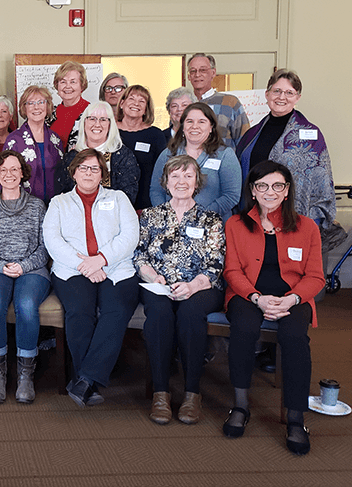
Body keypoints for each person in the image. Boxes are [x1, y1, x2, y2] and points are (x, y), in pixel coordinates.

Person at [222, 160, 325, 456]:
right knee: (243, 329)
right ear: (253, 191)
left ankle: (295, 419)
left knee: (294, 338)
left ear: (287, 190)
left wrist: (291, 299)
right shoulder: (235, 224)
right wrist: (257, 298)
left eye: (277, 185)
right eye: (262, 185)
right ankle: (240, 406)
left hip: (293, 298)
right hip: (247, 295)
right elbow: (231, 271)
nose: (270, 191)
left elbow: (316, 276)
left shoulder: (307, 227)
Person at [43, 149, 140, 407]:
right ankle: (90, 381)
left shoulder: (119, 198)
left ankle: (85, 378)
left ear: (102, 174)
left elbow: (130, 236)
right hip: (72, 270)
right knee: (79, 311)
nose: (88, 173)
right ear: (73, 172)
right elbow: (53, 241)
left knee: (116, 311)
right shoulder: (59, 203)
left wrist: (102, 259)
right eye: (83, 168)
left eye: (94, 168)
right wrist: (85, 264)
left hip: (116, 268)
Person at [134, 155, 225, 425]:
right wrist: (153, 276)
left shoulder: (211, 219)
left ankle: (192, 393)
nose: (181, 181)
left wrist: (192, 285)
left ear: (197, 182)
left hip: (201, 286)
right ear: (166, 181)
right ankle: (160, 393)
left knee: (190, 315)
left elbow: (216, 263)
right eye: (175, 176)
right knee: (159, 315)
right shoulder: (150, 216)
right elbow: (138, 255)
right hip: (158, 284)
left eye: (188, 176)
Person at [235, 69, 342, 248]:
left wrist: (314, 222)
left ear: (297, 97)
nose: (281, 97)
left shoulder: (311, 135)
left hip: (293, 221)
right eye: (277, 91)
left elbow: (321, 182)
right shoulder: (251, 135)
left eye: (289, 92)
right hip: (254, 218)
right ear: (267, 94)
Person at [0, 151, 50, 404]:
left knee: (27, 306)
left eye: (14, 169)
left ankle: (25, 375)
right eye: (3, 170)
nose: (9, 174)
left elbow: (45, 248)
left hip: (33, 270)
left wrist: (24, 266)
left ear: (22, 173)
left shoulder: (38, 206)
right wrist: (0, 266)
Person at [149, 102, 240, 222]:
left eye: (201, 122)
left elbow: (231, 195)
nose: (194, 126)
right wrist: (169, 215)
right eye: (189, 121)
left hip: (212, 227)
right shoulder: (168, 154)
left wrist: (200, 216)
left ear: (211, 127)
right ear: (183, 126)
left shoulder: (225, 155)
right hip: (172, 225)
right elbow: (156, 190)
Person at [57, 100, 139, 206]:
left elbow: (127, 197)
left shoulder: (123, 156)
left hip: (111, 217)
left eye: (103, 120)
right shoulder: (71, 157)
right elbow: (65, 194)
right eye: (92, 119)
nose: (97, 124)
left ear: (110, 124)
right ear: (84, 122)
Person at [4, 85, 63, 203]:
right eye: (30, 103)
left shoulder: (55, 139)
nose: (36, 107)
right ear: (24, 108)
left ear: (48, 106)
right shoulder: (14, 139)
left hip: (54, 204)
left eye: (41, 102)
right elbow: (4, 174)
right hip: (24, 207)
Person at [116, 84, 167, 210]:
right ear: (122, 103)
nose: (136, 104)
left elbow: (164, 171)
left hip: (146, 205)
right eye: (131, 99)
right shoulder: (109, 130)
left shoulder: (156, 135)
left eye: (141, 101)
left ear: (146, 109)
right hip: (112, 205)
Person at [186, 53, 250, 150]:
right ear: (189, 76)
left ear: (213, 72)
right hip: (189, 164)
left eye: (203, 70)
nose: (197, 74)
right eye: (193, 71)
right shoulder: (185, 104)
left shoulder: (230, 103)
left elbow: (244, 142)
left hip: (224, 164)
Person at [48, 61, 90, 150]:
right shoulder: (50, 114)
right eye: (63, 82)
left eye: (73, 82)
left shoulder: (91, 113)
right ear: (57, 85)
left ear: (82, 85)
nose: (67, 86)